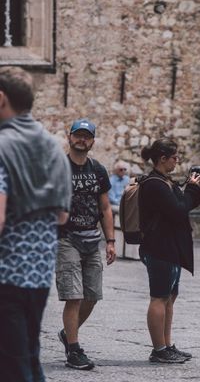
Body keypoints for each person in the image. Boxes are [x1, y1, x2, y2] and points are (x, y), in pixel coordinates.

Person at [0, 67, 72, 382]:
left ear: (1, 100)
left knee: (12, 365)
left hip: (6, 273)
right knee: (29, 356)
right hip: (40, 274)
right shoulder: (54, 148)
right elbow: (62, 216)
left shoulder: (2, 145)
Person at [139, 139, 200, 364]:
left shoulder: (165, 181)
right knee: (159, 297)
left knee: (170, 297)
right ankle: (158, 349)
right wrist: (191, 186)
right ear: (163, 159)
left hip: (170, 246)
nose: (177, 160)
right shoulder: (154, 184)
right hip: (159, 247)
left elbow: (184, 204)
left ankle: (167, 344)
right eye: (174, 157)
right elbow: (178, 209)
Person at [57, 118, 115, 370]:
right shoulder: (56, 167)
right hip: (66, 238)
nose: (82, 139)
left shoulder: (98, 170)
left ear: (92, 140)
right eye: (77, 135)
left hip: (92, 238)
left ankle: (68, 333)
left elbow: (105, 207)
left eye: (86, 136)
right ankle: (73, 350)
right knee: (74, 296)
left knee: (92, 296)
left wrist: (111, 240)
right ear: (69, 137)